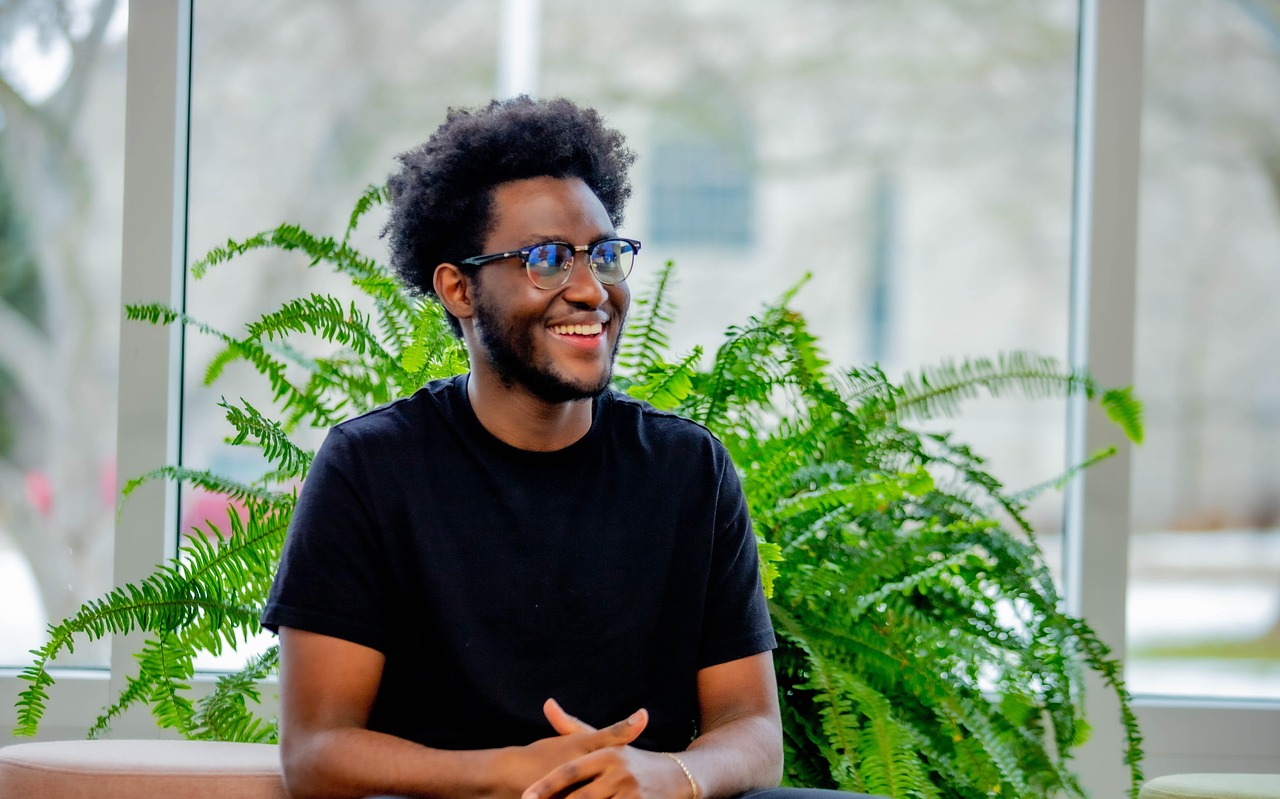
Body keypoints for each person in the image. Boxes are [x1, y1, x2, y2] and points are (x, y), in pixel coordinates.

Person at [262, 96, 851, 799]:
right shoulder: (372, 467)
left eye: (604, 255)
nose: (589, 289)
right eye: (545, 259)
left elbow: (753, 729)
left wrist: (671, 775)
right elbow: (317, 751)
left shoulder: (689, 469)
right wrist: (506, 771)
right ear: (458, 288)